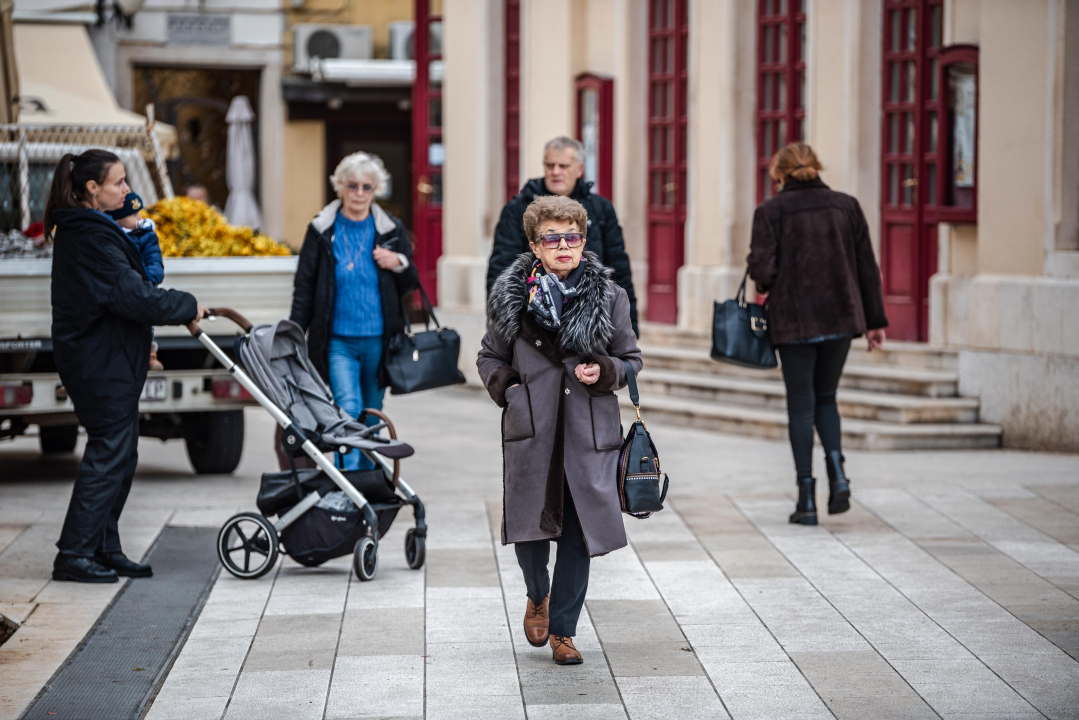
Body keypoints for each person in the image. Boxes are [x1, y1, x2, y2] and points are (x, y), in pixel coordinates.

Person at [478, 195, 641, 665]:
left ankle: (564, 632)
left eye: (573, 236)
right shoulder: (511, 298)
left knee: (578, 535)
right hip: (533, 428)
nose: (564, 245)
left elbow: (632, 360)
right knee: (530, 531)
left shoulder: (610, 297)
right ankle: (537, 594)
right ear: (535, 245)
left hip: (588, 433)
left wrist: (605, 371)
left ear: (584, 240)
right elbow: (489, 357)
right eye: (553, 238)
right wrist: (511, 391)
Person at [46, 150, 208, 583]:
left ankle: (103, 546)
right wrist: (187, 305)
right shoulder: (89, 236)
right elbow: (132, 296)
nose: (127, 190)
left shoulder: (93, 229)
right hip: (97, 360)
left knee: (122, 453)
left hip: (108, 356)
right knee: (108, 452)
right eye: (119, 182)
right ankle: (74, 553)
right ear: (93, 189)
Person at [747, 142, 888, 526]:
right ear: (817, 167)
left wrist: (761, 264)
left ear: (780, 173)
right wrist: (875, 321)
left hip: (794, 322)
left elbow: (763, 274)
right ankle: (838, 474)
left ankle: (806, 499)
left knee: (801, 405)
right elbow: (867, 268)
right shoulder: (847, 205)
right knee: (827, 397)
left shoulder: (770, 211)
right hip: (842, 318)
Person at [289, 152, 418, 471]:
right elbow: (304, 285)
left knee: (372, 412)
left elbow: (411, 284)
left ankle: (365, 481)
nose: (359, 194)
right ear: (340, 187)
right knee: (347, 408)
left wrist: (398, 263)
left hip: (379, 340)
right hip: (338, 340)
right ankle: (349, 482)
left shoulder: (390, 228)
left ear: (376, 190)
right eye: (353, 186)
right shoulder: (321, 229)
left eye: (367, 187)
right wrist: (293, 332)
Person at [487, 136, 639, 336]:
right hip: (535, 323)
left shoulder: (601, 209)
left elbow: (618, 268)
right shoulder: (517, 210)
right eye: (550, 165)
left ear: (579, 169)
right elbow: (501, 271)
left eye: (563, 165)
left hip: (591, 322)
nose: (555, 171)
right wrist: (502, 326)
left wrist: (629, 325)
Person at [107, 192, 166, 370]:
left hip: (142, 286)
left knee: (145, 321)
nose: (140, 217)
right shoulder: (111, 237)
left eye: (139, 212)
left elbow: (154, 261)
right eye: (133, 214)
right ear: (117, 219)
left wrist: (149, 279)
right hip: (119, 290)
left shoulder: (146, 236)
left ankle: (150, 354)